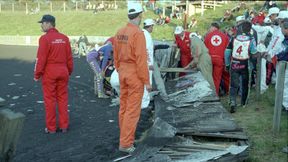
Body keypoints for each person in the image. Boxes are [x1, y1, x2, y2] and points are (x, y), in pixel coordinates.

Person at [113, 2, 152, 154]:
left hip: (123, 72)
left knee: (123, 108)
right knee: (132, 111)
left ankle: (124, 138)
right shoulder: (138, 34)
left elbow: (115, 55)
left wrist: (120, 69)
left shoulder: (120, 31)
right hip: (134, 74)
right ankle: (126, 143)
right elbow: (141, 60)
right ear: (140, 16)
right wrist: (147, 82)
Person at [34, 15, 73, 134]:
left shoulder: (44, 39)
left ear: (49, 24)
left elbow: (41, 59)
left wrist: (37, 74)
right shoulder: (64, 38)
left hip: (50, 71)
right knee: (63, 99)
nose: (41, 25)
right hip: (63, 70)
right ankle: (64, 126)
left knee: (50, 100)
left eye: (43, 23)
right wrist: (69, 71)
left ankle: (51, 128)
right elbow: (69, 58)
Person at [225, 21, 258, 113]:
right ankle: (243, 103)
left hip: (234, 63)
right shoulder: (251, 39)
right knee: (245, 84)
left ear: (241, 28)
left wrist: (227, 64)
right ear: (249, 29)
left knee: (233, 85)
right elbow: (254, 52)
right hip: (245, 64)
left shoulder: (233, 37)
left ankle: (232, 101)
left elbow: (227, 52)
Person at [204, 22, 229, 96]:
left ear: (214, 27)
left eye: (210, 28)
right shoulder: (225, 36)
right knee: (217, 78)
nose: (209, 29)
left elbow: (204, 48)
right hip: (219, 59)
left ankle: (208, 93)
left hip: (209, 58)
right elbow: (227, 49)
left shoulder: (208, 36)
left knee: (208, 77)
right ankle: (215, 95)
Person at [142, 18, 155, 109]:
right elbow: (148, 51)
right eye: (152, 26)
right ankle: (145, 104)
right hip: (146, 63)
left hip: (139, 62)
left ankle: (142, 102)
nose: (152, 28)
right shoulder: (147, 36)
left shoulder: (140, 33)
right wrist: (150, 63)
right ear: (150, 26)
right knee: (147, 84)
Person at [276, 18, 288, 111]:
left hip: (285, 64)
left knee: (283, 85)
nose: (281, 30)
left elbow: (284, 53)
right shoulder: (285, 38)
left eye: (282, 28)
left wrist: (277, 56)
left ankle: (286, 106)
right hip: (284, 64)